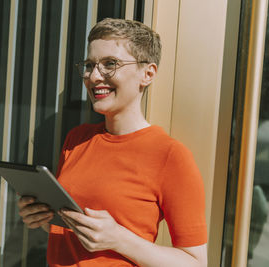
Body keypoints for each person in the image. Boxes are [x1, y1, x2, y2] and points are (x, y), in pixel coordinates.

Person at [18, 18, 208, 267]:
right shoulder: (77, 139)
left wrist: (119, 239)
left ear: (147, 74)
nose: (94, 76)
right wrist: (42, 218)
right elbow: (74, 228)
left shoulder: (171, 155)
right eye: (89, 65)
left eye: (110, 64)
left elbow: (195, 262)